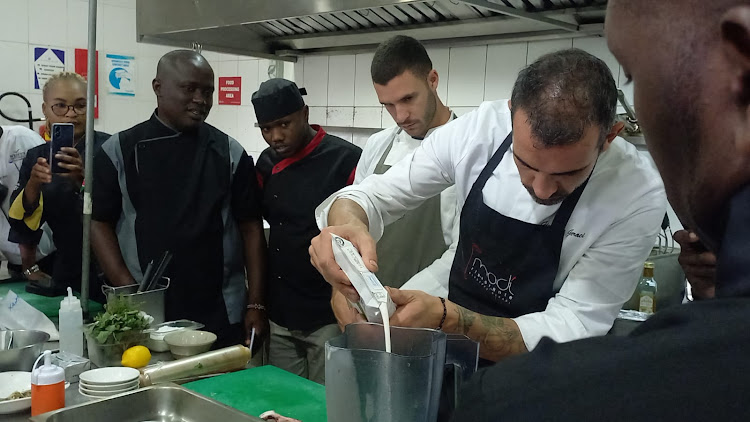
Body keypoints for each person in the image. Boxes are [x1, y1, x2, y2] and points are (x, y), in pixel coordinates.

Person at [449, 1, 750, 420]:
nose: (540, 188)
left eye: (635, 75)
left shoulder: (506, 403)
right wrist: (714, 299)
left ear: (742, 69)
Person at [311, 48, 667, 362]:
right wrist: (344, 233)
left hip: (541, 367)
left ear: (609, 137)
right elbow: (371, 196)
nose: (541, 190)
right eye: (525, 164)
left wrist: (451, 320)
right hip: (447, 333)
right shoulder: (477, 132)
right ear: (511, 113)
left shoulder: (636, 191)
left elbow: (575, 322)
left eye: (568, 174)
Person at [91, 50, 267, 349]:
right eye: (189, 89)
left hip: (219, 309)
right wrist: (130, 292)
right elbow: (99, 222)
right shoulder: (119, 150)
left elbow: (251, 228)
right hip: (145, 311)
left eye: (207, 91)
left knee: (219, 391)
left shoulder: (229, 153)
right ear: (158, 87)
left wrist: (256, 305)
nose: (201, 99)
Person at [328, 35, 460, 329]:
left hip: (427, 319)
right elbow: (355, 222)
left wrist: (395, 306)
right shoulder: (378, 145)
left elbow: (460, 254)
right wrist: (344, 291)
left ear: (433, 79)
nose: (400, 115)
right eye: (388, 105)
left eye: (408, 99)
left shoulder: (466, 151)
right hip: (368, 316)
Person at [254, 78, 361, 383]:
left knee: (324, 405)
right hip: (281, 314)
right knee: (285, 401)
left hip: (328, 312)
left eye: (284, 124)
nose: (275, 136)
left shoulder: (346, 160)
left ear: (305, 113)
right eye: (266, 129)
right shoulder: (266, 164)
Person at [8, 72, 108, 298]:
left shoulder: (109, 148)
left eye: (80, 106)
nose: (72, 113)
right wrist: (33, 184)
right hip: (67, 269)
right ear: (45, 109)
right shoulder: (37, 156)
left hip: (109, 267)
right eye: (60, 106)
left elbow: (121, 211)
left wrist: (82, 182)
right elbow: (21, 222)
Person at [0, 125, 53, 279]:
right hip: (13, 260)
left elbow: (45, 195)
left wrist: (29, 266)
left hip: (49, 254)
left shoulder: (21, 138)